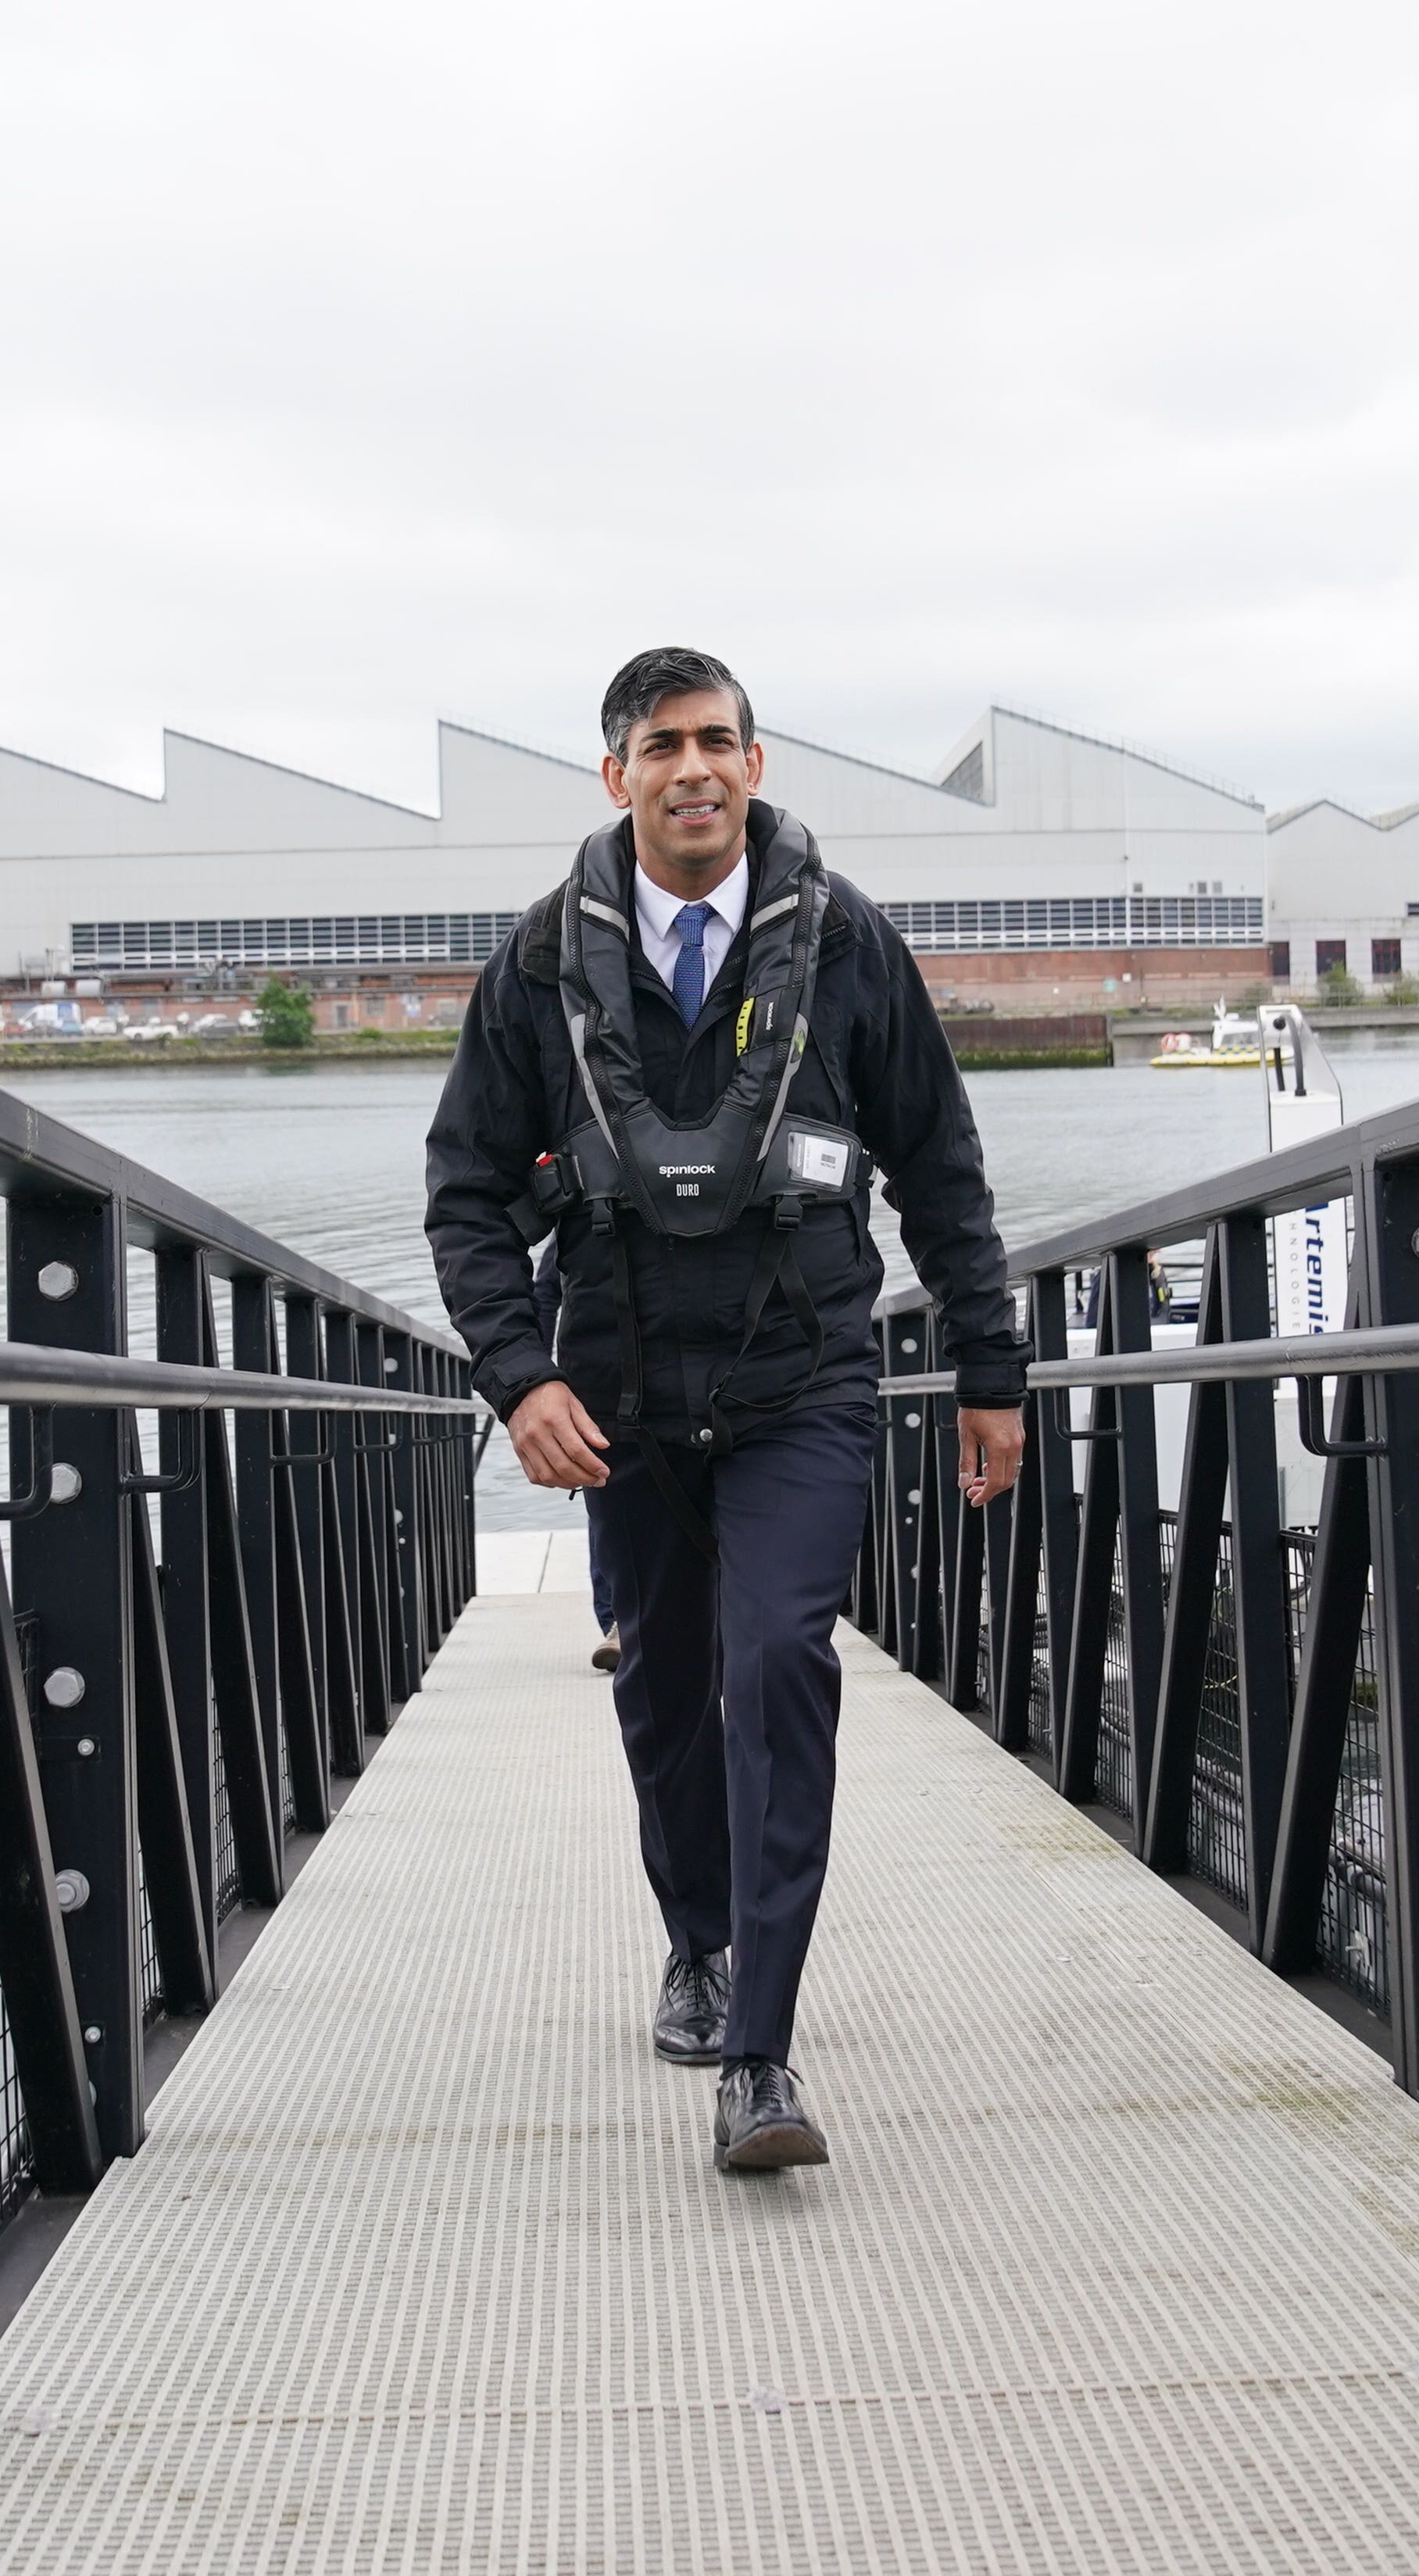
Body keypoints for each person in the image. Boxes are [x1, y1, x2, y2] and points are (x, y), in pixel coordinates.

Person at [424, 646, 1028, 2174]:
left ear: (755, 765)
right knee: (668, 1694)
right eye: (659, 745)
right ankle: (697, 1938)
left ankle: (758, 2048)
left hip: (803, 1381)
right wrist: (521, 1373)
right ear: (615, 775)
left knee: (778, 1668)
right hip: (618, 1398)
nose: (691, 768)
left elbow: (941, 1165)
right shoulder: (543, 965)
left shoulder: (844, 947)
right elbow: (465, 1191)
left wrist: (990, 1369)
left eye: (717, 742)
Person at [524, 1239, 621, 1665]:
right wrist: (534, 1383)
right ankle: (620, 1623)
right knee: (608, 1491)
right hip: (602, 1379)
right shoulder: (586, 1189)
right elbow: (546, 1292)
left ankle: (627, 1622)